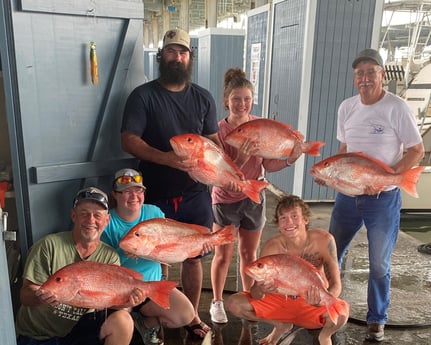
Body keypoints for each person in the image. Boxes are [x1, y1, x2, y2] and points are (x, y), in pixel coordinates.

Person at [320, 48, 424, 342]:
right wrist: (333, 174)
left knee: (380, 263)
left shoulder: (397, 107)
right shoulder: (346, 107)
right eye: (359, 73)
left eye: (370, 72)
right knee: (332, 253)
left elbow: (416, 150)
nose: (365, 78)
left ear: (382, 75)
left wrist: (391, 177)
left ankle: (376, 319)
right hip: (347, 197)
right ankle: (326, 308)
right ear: (355, 79)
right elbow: (344, 151)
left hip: (383, 199)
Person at [120, 28, 218, 339]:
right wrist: (166, 158)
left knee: (194, 257)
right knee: (157, 256)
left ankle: (191, 316)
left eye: (183, 52)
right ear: (161, 55)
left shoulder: (203, 97)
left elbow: (214, 141)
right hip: (156, 192)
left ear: (190, 57)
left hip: (195, 194)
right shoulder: (143, 96)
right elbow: (128, 140)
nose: (177, 57)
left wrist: (219, 163)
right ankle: (158, 316)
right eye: (172, 52)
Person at [209, 67, 302, 324]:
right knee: (223, 254)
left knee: (250, 256)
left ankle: (248, 297)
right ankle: (217, 302)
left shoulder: (260, 125)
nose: (242, 104)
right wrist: (239, 158)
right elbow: (218, 172)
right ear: (226, 100)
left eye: (247, 99)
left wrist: (290, 160)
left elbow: (268, 165)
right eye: (236, 99)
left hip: (253, 199)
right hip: (226, 200)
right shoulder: (218, 131)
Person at [15, 187, 145, 345]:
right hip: (39, 335)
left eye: (97, 215)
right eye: (84, 213)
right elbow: (24, 295)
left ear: (107, 220)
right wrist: (39, 297)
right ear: (73, 216)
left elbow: (111, 302)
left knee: (123, 320)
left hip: (82, 330)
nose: (91, 220)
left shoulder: (109, 256)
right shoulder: (48, 246)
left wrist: (129, 302)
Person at [226, 195, 349, 345]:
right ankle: (280, 325)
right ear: (278, 224)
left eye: (294, 216)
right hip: (280, 300)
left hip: (310, 301)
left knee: (342, 312)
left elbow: (336, 284)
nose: (289, 222)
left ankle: (324, 336)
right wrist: (260, 289)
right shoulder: (272, 247)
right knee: (234, 303)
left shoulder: (324, 240)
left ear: (305, 219)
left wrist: (324, 301)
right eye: (283, 218)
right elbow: (255, 294)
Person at [101, 168, 195, 344]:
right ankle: (132, 323)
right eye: (127, 192)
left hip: (153, 285)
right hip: (123, 290)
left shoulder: (154, 212)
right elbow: (104, 265)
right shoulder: (108, 221)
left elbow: (164, 249)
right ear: (115, 194)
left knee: (185, 314)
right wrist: (124, 250)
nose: (134, 196)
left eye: (138, 191)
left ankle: (146, 323)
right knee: (121, 325)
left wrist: (164, 276)